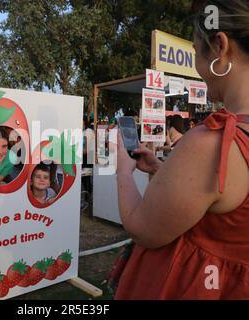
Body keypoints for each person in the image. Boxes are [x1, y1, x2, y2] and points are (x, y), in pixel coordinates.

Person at [115, 0, 249, 299]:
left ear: (219, 46)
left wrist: (123, 172)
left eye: (195, 51)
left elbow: (142, 228)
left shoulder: (213, 144)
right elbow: (224, 205)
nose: (197, 67)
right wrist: (165, 172)